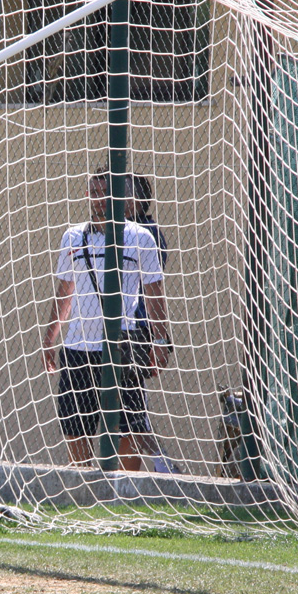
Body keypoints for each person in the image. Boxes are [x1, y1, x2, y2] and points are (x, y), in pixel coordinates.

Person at [42, 169, 171, 470]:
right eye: (95, 193)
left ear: (122, 198)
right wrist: (50, 337)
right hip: (78, 347)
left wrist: (161, 340)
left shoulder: (141, 237)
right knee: (75, 425)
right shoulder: (72, 236)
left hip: (124, 344)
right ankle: (86, 490)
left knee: (129, 424)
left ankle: (125, 493)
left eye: (107, 194)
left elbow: (154, 295)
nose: (100, 200)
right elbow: (65, 290)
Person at [121, 173, 181, 474]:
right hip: (111, 330)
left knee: (130, 406)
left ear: (138, 201)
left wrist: (160, 339)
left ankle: (162, 463)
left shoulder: (147, 234)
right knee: (122, 409)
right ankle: (139, 469)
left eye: (125, 192)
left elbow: (150, 287)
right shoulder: (109, 230)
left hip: (137, 330)